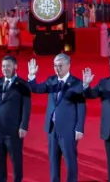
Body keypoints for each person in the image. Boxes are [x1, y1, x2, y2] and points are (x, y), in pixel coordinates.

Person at [28, 54, 86, 182]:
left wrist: (79, 128)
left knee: (70, 160)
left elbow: (81, 106)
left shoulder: (76, 83)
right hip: (52, 128)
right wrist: (32, 76)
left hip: (68, 129)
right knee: (53, 161)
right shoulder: (51, 80)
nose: (57, 69)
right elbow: (37, 89)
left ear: (68, 66)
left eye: (60, 66)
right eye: (55, 66)